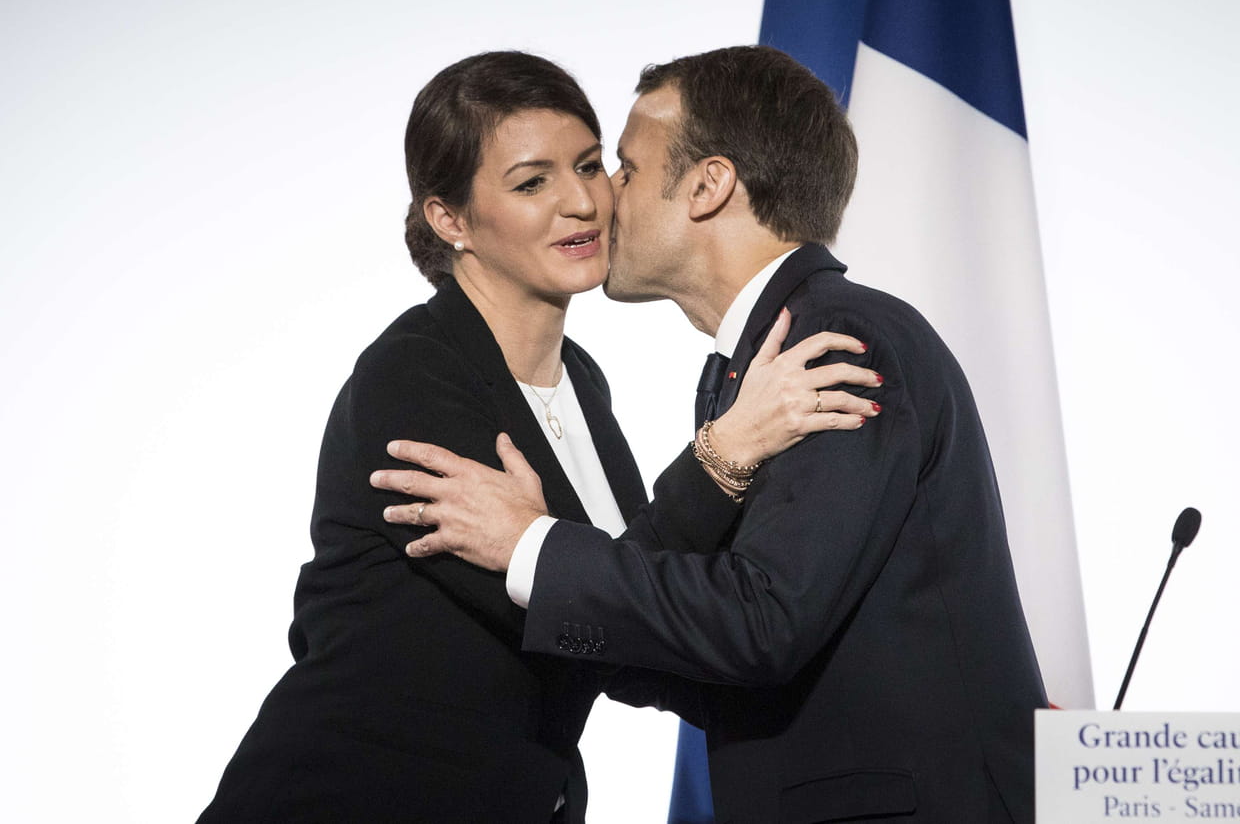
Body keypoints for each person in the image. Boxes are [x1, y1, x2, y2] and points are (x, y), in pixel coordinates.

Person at [198, 51, 879, 823]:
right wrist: (726, 450)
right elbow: (587, 612)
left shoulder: (582, 382)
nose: (581, 202)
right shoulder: (412, 374)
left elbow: (630, 588)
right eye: (531, 183)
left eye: (590, 165)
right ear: (450, 219)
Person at [373, 46, 1048, 823]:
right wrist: (591, 614)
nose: (601, 199)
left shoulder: (836, 341)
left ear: (707, 185)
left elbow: (762, 622)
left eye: (622, 168)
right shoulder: (750, 373)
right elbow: (698, 645)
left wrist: (531, 545)